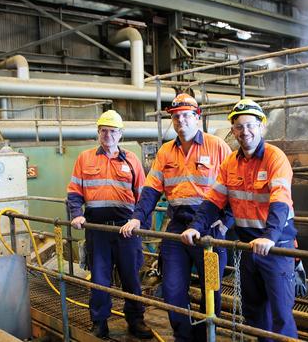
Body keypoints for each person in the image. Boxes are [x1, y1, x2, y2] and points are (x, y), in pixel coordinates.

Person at [181, 99, 298, 341]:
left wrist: (270, 237)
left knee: (281, 315)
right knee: (254, 312)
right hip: (247, 248)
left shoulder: (276, 158)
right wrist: (195, 227)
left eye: (250, 125)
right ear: (232, 131)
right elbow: (213, 200)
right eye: (239, 127)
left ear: (261, 127)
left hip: (276, 247)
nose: (245, 132)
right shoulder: (230, 163)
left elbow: (280, 200)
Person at [120, 93, 233, 341]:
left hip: (210, 228)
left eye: (185, 115)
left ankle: (204, 336)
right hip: (178, 224)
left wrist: (226, 224)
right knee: (171, 289)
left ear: (197, 117)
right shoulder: (166, 152)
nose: (180, 120)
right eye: (176, 116)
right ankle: (184, 336)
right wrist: (137, 218)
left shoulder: (217, 146)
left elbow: (235, 187)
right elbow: (151, 190)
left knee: (211, 291)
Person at [67, 109, 153, 339]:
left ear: (120, 134)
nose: (108, 135)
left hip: (126, 230)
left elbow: (143, 196)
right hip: (97, 230)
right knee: (100, 278)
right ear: (98, 133)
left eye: (112, 131)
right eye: (104, 131)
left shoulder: (131, 159)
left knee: (131, 277)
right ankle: (99, 322)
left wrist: (141, 226)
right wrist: (76, 214)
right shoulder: (85, 158)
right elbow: (74, 192)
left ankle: (136, 320)